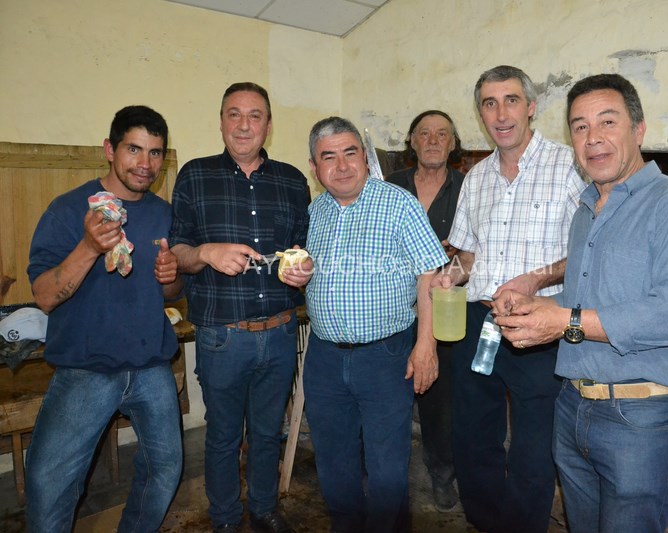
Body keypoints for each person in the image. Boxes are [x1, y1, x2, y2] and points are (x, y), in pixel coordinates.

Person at [494, 73, 668, 533]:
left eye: (607, 121)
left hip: (645, 416)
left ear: (639, 129)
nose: (592, 137)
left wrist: (564, 321)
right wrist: (536, 306)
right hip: (574, 404)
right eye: (579, 126)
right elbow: (587, 300)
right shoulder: (585, 209)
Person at [432, 65, 586, 533]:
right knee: (473, 436)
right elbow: (469, 256)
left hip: (540, 330)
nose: (501, 114)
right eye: (489, 103)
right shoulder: (476, 177)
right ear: (480, 113)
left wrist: (536, 279)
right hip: (479, 327)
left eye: (511, 100)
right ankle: (484, 521)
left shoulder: (570, 167)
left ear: (531, 107)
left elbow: (588, 252)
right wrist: (447, 277)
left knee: (534, 448)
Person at [25, 105, 183, 532]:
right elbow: (44, 297)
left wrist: (170, 277)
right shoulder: (67, 210)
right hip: (85, 369)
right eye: (134, 149)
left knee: (165, 469)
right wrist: (89, 247)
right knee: (50, 485)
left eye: (155, 153)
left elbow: (171, 293)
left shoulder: (164, 213)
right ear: (109, 149)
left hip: (151, 364)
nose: (145, 163)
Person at [169, 82, 310, 533]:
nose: (244, 125)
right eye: (234, 114)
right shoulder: (194, 175)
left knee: (268, 434)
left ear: (268, 125)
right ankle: (226, 519)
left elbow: (303, 248)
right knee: (223, 437)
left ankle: (265, 510)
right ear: (221, 122)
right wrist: (206, 252)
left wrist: (303, 268)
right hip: (222, 337)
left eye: (255, 115)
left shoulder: (292, 180)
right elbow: (177, 252)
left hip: (281, 331)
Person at [302, 117, 448, 532]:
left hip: (386, 358)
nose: (342, 165)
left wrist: (426, 346)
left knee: (387, 466)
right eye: (329, 157)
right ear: (314, 167)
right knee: (333, 460)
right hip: (324, 358)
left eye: (351, 153)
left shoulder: (399, 205)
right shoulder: (313, 212)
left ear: (365, 158)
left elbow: (430, 275)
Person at [386, 110, 464, 511]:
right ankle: (384, 474)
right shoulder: (389, 187)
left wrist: (457, 254)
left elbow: (481, 246)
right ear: (412, 142)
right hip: (394, 309)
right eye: (424, 134)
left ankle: (442, 474)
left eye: (442, 134)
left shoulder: (467, 188)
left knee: (440, 401)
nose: (433, 141)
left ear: (453, 144)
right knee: (389, 397)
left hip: (445, 309)